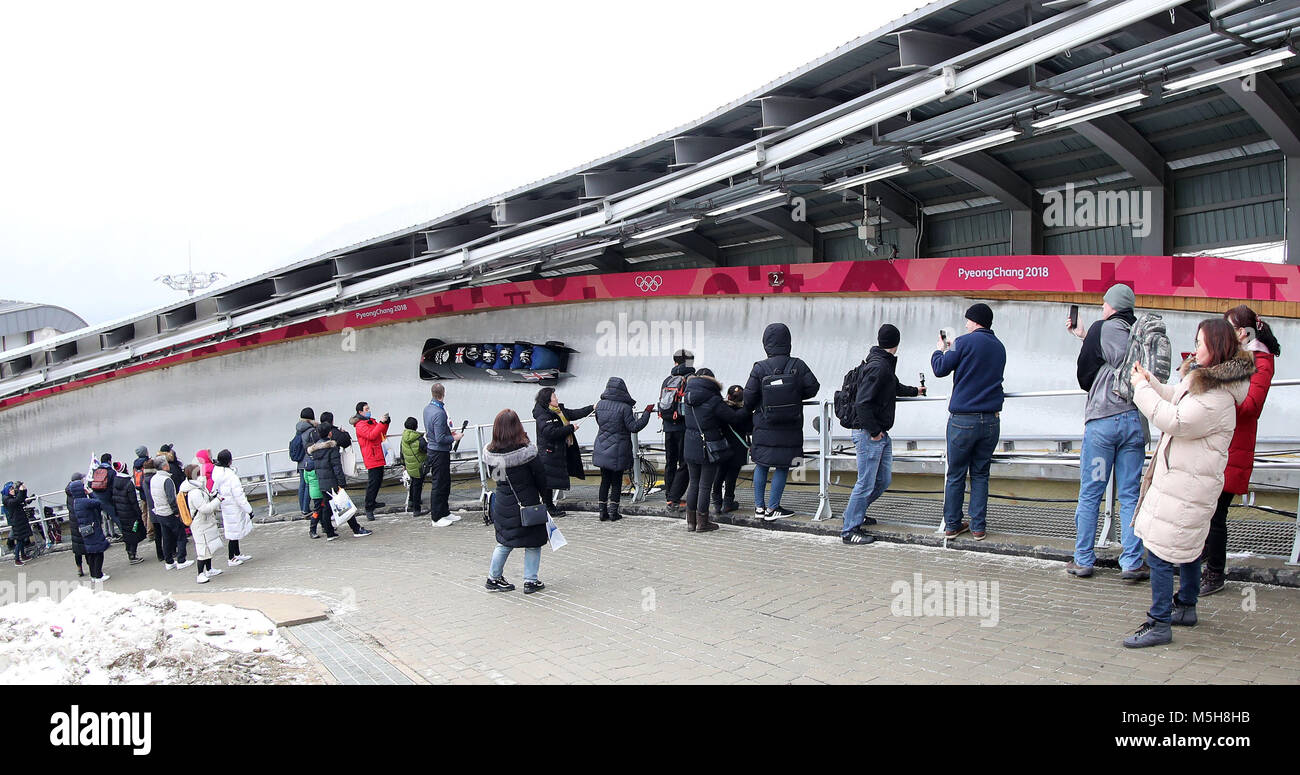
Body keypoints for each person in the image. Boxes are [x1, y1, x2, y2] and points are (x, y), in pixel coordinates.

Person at [1123, 319, 1254, 648]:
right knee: (1189, 549)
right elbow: (1175, 397)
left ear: (1217, 347)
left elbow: (1175, 419)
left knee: (1162, 552)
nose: (1195, 348)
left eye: (1200, 343)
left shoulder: (1218, 396)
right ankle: (1186, 606)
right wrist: (1151, 381)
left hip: (1188, 485)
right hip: (1185, 480)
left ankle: (1159, 623)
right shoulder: (1207, 382)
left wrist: (1139, 389)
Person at [1065, 284, 1149, 580]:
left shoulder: (1102, 328)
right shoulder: (1138, 333)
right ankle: (1132, 562)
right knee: (1129, 494)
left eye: (1104, 303)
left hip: (1103, 423)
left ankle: (1084, 559)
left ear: (1113, 305)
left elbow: (1085, 375)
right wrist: (1084, 337)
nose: (1102, 307)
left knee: (1091, 492)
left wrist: (1088, 338)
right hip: (1134, 422)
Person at [1201, 305, 1281, 596]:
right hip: (1218, 440)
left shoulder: (1261, 360)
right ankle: (1203, 560)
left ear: (1244, 332)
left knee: (1216, 512)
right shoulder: (1232, 358)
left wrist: (1218, 393)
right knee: (1208, 507)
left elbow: (1251, 406)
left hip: (1236, 444)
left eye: (1230, 328)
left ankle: (1215, 573)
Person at [842, 325, 925, 546]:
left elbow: (892, 387)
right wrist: (875, 432)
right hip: (870, 433)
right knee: (866, 483)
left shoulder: (881, 364)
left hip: (877, 433)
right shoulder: (879, 367)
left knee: (882, 480)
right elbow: (862, 403)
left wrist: (915, 391)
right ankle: (849, 529)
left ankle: (855, 514)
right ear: (897, 343)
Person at [931, 303, 1006, 540]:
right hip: (991, 421)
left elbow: (940, 369)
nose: (965, 325)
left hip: (963, 421)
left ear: (975, 321)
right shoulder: (1000, 347)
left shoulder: (962, 342)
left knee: (955, 473)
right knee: (981, 473)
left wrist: (940, 350)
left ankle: (952, 525)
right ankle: (978, 527)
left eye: (968, 321)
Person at [743, 323, 820, 520]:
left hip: (764, 424)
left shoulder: (759, 367)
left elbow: (749, 398)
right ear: (788, 342)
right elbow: (813, 388)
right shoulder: (798, 365)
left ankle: (759, 508)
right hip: (790, 425)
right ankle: (773, 508)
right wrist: (793, 395)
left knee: (761, 464)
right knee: (782, 466)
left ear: (766, 343)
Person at [482, 409, 550, 594]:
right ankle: (530, 580)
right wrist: (546, 499)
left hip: (502, 504)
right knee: (534, 542)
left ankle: (493, 578)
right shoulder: (528, 453)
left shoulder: (491, 454)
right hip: (527, 504)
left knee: (504, 542)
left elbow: (495, 478)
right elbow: (541, 478)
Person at [684, 369, 751, 533]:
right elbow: (733, 418)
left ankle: (691, 523)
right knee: (705, 485)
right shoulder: (713, 400)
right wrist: (747, 408)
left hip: (689, 443)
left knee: (693, 483)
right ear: (711, 382)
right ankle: (703, 523)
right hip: (708, 446)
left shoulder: (687, 397)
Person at [591, 377, 654, 523]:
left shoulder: (600, 405)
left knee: (604, 480)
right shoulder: (624, 408)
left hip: (601, 446)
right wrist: (646, 413)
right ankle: (613, 512)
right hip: (618, 449)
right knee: (616, 480)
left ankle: (602, 512)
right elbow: (634, 427)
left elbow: (599, 422)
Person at [532, 387, 594, 519]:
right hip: (549, 451)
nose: (557, 398)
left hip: (558, 450)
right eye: (554, 397)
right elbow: (550, 432)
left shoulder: (558, 411)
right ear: (548, 400)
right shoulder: (543, 415)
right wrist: (570, 428)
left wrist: (592, 407)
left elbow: (575, 413)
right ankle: (548, 507)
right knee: (548, 481)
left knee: (551, 478)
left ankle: (549, 506)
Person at [308, 420, 372, 539]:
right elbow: (337, 467)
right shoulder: (332, 448)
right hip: (333, 482)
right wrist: (341, 483)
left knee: (327, 508)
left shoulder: (315, 451)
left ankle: (329, 532)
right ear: (330, 433)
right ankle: (356, 529)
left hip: (322, 482)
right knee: (344, 505)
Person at [659, 349, 696, 514]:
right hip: (683, 426)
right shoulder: (690, 379)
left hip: (668, 426)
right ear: (690, 362)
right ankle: (675, 497)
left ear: (675, 362)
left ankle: (669, 495)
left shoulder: (667, 379)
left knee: (670, 461)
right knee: (684, 463)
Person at [423, 384, 463, 527]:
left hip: (434, 450)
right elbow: (440, 438)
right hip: (439, 451)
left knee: (444, 482)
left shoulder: (428, 409)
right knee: (439, 483)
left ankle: (444, 512)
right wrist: (455, 437)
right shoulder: (439, 413)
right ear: (443, 393)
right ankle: (436, 517)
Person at [710, 385, 752, 517]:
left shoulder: (722, 408)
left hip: (723, 446)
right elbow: (750, 428)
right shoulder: (745, 411)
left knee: (719, 473)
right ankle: (728, 502)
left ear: (728, 396)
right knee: (732, 476)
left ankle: (716, 502)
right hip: (738, 447)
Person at [181, 464, 225, 583]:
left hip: (205, 522)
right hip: (200, 524)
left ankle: (209, 569)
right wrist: (218, 500)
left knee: (208, 546)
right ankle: (200, 574)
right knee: (203, 549)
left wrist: (212, 496)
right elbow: (205, 508)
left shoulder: (198, 487)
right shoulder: (194, 492)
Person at [211, 449, 255, 566]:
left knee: (234, 530)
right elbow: (239, 495)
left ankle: (237, 553)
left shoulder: (216, 472)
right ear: (229, 461)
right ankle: (231, 557)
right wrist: (249, 510)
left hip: (226, 505)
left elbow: (214, 490)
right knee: (233, 532)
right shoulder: (231, 476)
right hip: (234, 506)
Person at [148, 457, 193, 570]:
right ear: (164, 466)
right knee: (180, 535)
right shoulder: (167, 480)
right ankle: (181, 560)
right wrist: (176, 512)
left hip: (159, 512)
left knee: (166, 537)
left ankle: (169, 561)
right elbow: (171, 498)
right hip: (169, 512)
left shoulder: (153, 479)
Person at [352, 402, 392, 521]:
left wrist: (385, 423)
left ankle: (372, 502)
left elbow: (381, 434)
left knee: (378, 480)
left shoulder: (371, 421)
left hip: (378, 453)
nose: (369, 410)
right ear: (360, 412)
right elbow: (371, 435)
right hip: (371, 455)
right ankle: (368, 507)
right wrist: (380, 423)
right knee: (373, 482)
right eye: (367, 409)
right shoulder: (360, 425)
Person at [69, 483, 111, 582]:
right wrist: (91, 493)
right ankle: (98, 575)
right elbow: (99, 502)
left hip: (86, 531)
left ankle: (94, 575)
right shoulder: (84, 501)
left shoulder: (76, 502)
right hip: (93, 530)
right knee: (98, 552)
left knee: (92, 554)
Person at [110, 461, 147, 565]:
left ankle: (129, 552)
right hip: (131, 514)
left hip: (121, 514)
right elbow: (133, 501)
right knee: (134, 532)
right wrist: (138, 513)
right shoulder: (128, 483)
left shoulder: (115, 482)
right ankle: (133, 555)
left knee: (127, 534)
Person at [88, 453, 121, 540]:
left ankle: (101, 537)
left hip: (95, 498)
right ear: (109, 461)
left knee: (99, 520)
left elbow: (89, 483)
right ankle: (126, 534)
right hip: (106, 499)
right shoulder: (111, 472)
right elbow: (115, 486)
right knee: (116, 517)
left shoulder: (95, 471)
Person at [401, 417, 429, 517]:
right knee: (418, 487)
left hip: (409, 465)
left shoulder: (404, 437)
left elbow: (402, 452)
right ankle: (416, 509)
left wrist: (404, 464)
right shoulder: (419, 439)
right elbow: (426, 450)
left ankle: (411, 502)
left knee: (413, 484)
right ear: (416, 426)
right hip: (419, 466)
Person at [294, 408, 319, 517]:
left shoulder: (299, 428)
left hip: (300, 462)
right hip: (308, 461)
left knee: (302, 485)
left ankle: (302, 508)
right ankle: (305, 509)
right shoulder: (310, 430)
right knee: (309, 484)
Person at [140, 458, 165, 561]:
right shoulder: (154, 479)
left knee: (157, 535)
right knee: (165, 532)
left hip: (152, 510)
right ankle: (168, 552)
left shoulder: (143, 479)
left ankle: (159, 554)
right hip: (159, 508)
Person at [64, 474, 88, 576]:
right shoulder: (79, 493)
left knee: (77, 548)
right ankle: (92, 566)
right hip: (82, 522)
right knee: (87, 546)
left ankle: (79, 568)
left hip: (73, 523)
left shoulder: (69, 493)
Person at [3, 482, 32, 566]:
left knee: (22, 539)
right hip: (16, 522)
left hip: (20, 520)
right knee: (19, 541)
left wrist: (23, 489)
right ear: (7, 491)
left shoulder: (11, 497)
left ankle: (23, 555)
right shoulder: (8, 500)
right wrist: (21, 491)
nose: (13, 490)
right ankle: (17, 559)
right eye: (11, 489)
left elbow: (21, 498)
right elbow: (18, 500)